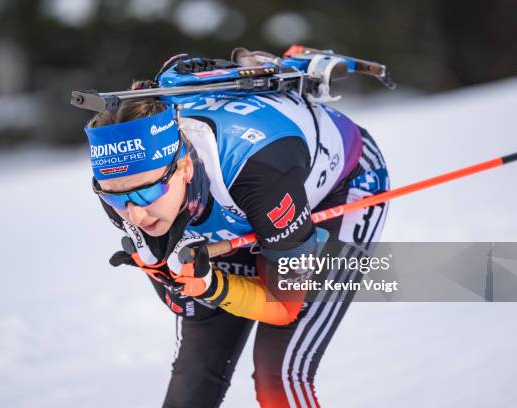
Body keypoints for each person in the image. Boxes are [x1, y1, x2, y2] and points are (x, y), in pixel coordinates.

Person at [83, 53, 390, 408]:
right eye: (116, 198)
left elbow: (284, 304)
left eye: (147, 191)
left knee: (279, 374)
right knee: (195, 375)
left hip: (337, 188)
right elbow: (189, 309)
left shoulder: (257, 172)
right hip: (238, 211)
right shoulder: (127, 188)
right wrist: (177, 282)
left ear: (182, 166)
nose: (134, 214)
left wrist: (215, 286)